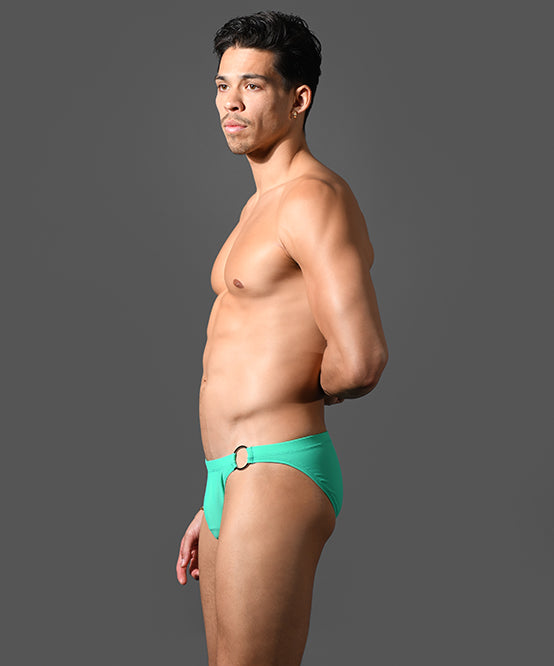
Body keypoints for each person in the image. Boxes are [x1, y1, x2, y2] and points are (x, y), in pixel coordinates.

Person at [176, 10, 388, 665]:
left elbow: (361, 358)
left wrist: (271, 430)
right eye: (221, 85)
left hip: (272, 469)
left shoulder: (312, 198)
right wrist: (220, 491)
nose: (230, 103)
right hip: (233, 478)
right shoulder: (257, 207)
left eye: (253, 85)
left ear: (299, 99)